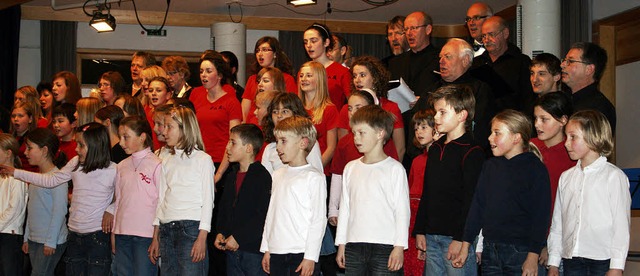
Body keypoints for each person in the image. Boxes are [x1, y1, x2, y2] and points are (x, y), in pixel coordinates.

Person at [2, 123, 117, 275]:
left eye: (81, 145)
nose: (76, 149)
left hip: (97, 236)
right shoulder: (75, 163)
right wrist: (16, 172)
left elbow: (122, 197)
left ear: (96, 145)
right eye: (76, 144)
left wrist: (111, 209)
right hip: (75, 234)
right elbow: (50, 180)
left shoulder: (113, 169)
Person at [454, 110, 551, 275]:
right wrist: (465, 246)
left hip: (521, 251)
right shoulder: (490, 166)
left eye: (497, 133)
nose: (490, 138)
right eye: (491, 132)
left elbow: (541, 216)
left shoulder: (535, 169)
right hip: (491, 249)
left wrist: (533, 256)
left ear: (516, 137)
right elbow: (477, 207)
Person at [547, 110, 630, 276]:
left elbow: (621, 226)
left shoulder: (614, 177)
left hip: (602, 259)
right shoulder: (566, 177)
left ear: (593, 137)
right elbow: (558, 223)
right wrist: (554, 262)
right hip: (572, 259)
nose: (566, 143)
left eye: (573, 137)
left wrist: (616, 266)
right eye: (566, 137)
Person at [414, 85, 485, 276]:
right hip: (432, 234)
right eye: (436, 112)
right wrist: (420, 229)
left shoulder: (472, 151)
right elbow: (427, 192)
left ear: (462, 115)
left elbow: (472, 200)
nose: (436, 117)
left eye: (442, 112)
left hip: (455, 237)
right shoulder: (436, 148)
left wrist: (462, 239)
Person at [335, 105, 410, 274]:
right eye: (354, 133)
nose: (356, 138)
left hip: (385, 246)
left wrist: (399, 246)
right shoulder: (350, 168)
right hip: (354, 245)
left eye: (362, 133)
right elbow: (345, 208)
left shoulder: (394, 169)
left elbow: (402, 211)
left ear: (379, 133)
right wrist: (341, 244)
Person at [260, 115, 327, 276]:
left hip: (301, 252)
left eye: (283, 141)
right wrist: (267, 248)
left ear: (303, 143)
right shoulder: (278, 174)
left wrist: (311, 256)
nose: (278, 147)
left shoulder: (314, 177)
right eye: (277, 141)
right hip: (277, 250)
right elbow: (271, 214)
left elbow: (318, 219)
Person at [156, 106, 215, 275]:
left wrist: (202, 237)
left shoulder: (202, 159)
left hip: (190, 230)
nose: (164, 132)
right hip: (166, 229)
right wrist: (156, 234)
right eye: (164, 126)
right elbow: (161, 199)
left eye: (169, 127)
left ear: (185, 128)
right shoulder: (166, 159)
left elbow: (207, 201)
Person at [328, 90, 399, 227]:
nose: (353, 112)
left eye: (358, 108)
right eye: (349, 108)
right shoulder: (344, 142)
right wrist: (333, 209)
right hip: (351, 209)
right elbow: (337, 175)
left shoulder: (384, 142)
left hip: (379, 210)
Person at [413, 38, 495, 154]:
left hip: (465, 155)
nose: (441, 61)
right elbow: (416, 122)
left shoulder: (480, 90)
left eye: (448, 57)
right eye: (440, 57)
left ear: (465, 60)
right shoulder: (431, 90)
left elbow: (481, 130)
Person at [214, 124, 271, 275]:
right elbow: (224, 209)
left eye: (233, 143)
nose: (227, 147)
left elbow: (262, 216)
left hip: (252, 251)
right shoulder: (232, 176)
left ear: (249, 148)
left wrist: (239, 237)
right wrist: (221, 232)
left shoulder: (262, 177)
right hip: (231, 250)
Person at [531, 92, 575, 274]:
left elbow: (567, 207)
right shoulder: (530, 147)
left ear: (563, 120)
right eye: (535, 118)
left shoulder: (571, 154)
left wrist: (551, 246)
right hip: (527, 234)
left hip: (555, 237)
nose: (537, 125)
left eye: (544, 119)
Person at [111, 116, 161, 276]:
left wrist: (156, 237)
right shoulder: (121, 166)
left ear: (142, 137)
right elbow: (118, 200)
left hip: (145, 235)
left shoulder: (157, 164)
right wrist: (114, 231)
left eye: (126, 137)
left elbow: (161, 203)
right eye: (120, 137)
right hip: (122, 232)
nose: (121, 142)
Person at [189, 54, 242, 183]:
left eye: (208, 71)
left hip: (221, 161)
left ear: (219, 75)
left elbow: (233, 139)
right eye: (201, 71)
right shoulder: (196, 94)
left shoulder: (231, 102)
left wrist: (219, 173)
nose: (203, 75)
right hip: (198, 159)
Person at [343, 56, 405, 162]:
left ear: (375, 78)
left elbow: (400, 148)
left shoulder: (390, 107)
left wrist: (393, 170)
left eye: (362, 75)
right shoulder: (347, 108)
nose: (357, 80)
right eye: (354, 76)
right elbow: (344, 146)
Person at [471, 16, 533, 112]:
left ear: (505, 33)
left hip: (511, 122)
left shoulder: (521, 61)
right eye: (483, 36)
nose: (486, 40)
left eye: (491, 34)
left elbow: (528, 98)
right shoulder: (476, 63)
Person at [406, 109, 440, 275]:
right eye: (416, 128)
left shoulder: (440, 159)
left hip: (426, 213)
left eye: (424, 127)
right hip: (412, 214)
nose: (419, 131)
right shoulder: (417, 160)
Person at [261, 92, 324, 175]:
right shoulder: (270, 148)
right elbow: (265, 181)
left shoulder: (307, 142)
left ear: (296, 114)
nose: (279, 115)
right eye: (275, 112)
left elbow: (317, 173)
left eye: (284, 111)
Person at [561, 42, 616, 132]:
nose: (562, 65)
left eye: (570, 61)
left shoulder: (599, 108)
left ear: (589, 69)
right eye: (564, 60)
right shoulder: (564, 99)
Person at [242, 36, 297, 123]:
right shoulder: (252, 79)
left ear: (275, 54)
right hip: (252, 126)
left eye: (265, 50)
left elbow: (292, 107)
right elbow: (245, 109)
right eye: (257, 50)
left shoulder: (286, 79)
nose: (260, 54)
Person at [298, 61, 339, 176]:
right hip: (297, 171)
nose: (303, 79)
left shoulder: (330, 109)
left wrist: (316, 169)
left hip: (319, 171)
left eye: (309, 75)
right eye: (301, 76)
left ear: (320, 80)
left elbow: (331, 147)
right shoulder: (296, 108)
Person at [387, 11, 440, 99]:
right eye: (406, 29)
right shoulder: (395, 63)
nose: (409, 33)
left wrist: (423, 100)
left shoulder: (440, 59)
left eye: (413, 28)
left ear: (428, 29)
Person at [304, 23, 352, 111]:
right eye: (305, 42)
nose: (309, 45)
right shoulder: (303, 72)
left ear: (326, 42)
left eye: (313, 41)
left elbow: (353, 103)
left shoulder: (342, 72)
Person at [0, 133, 28, 276]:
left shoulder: (18, 178)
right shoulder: (2, 176)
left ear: (8, 153)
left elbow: (14, 208)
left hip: (10, 234)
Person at [145, 77, 174, 150]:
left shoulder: (173, 116)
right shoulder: (146, 114)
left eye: (158, 90)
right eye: (150, 90)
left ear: (168, 95)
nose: (154, 93)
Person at [11, 101, 40, 172]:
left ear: (30, 119)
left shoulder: (36, 139)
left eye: (20, 116)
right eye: (13, 116)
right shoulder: (10, 137)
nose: (16, 119)